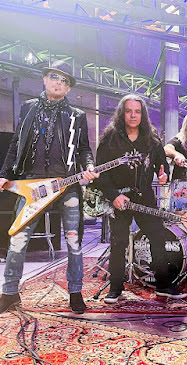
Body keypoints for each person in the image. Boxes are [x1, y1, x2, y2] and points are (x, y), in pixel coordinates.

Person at [0, 60, 99, 314]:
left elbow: (84, 149)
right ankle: (9, 292)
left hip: (67, 184)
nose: (59, 83)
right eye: (54, 77)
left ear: (68, 88)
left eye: (65, 80)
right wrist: (4, 174)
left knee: (74, 240)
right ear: (44, 79)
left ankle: (75, 291)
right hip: (32, 184)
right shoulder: (28, 108)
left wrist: (89, 166)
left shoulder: (77, 115)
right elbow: (15, 143)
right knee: (17, 238)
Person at [95, 94, 187, 303]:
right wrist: (113, 196)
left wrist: (164, 176)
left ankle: (164, 285)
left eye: (137, 111)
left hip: (145, 198)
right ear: (122, 113)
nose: (133, 115)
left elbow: (162, 168)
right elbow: (101, 174)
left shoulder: (152, 140)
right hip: (119, 198)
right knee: (118, 242)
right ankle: (115, 288)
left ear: (143, 115)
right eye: (128, 111)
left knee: (158, 237)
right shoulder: (109, 139)